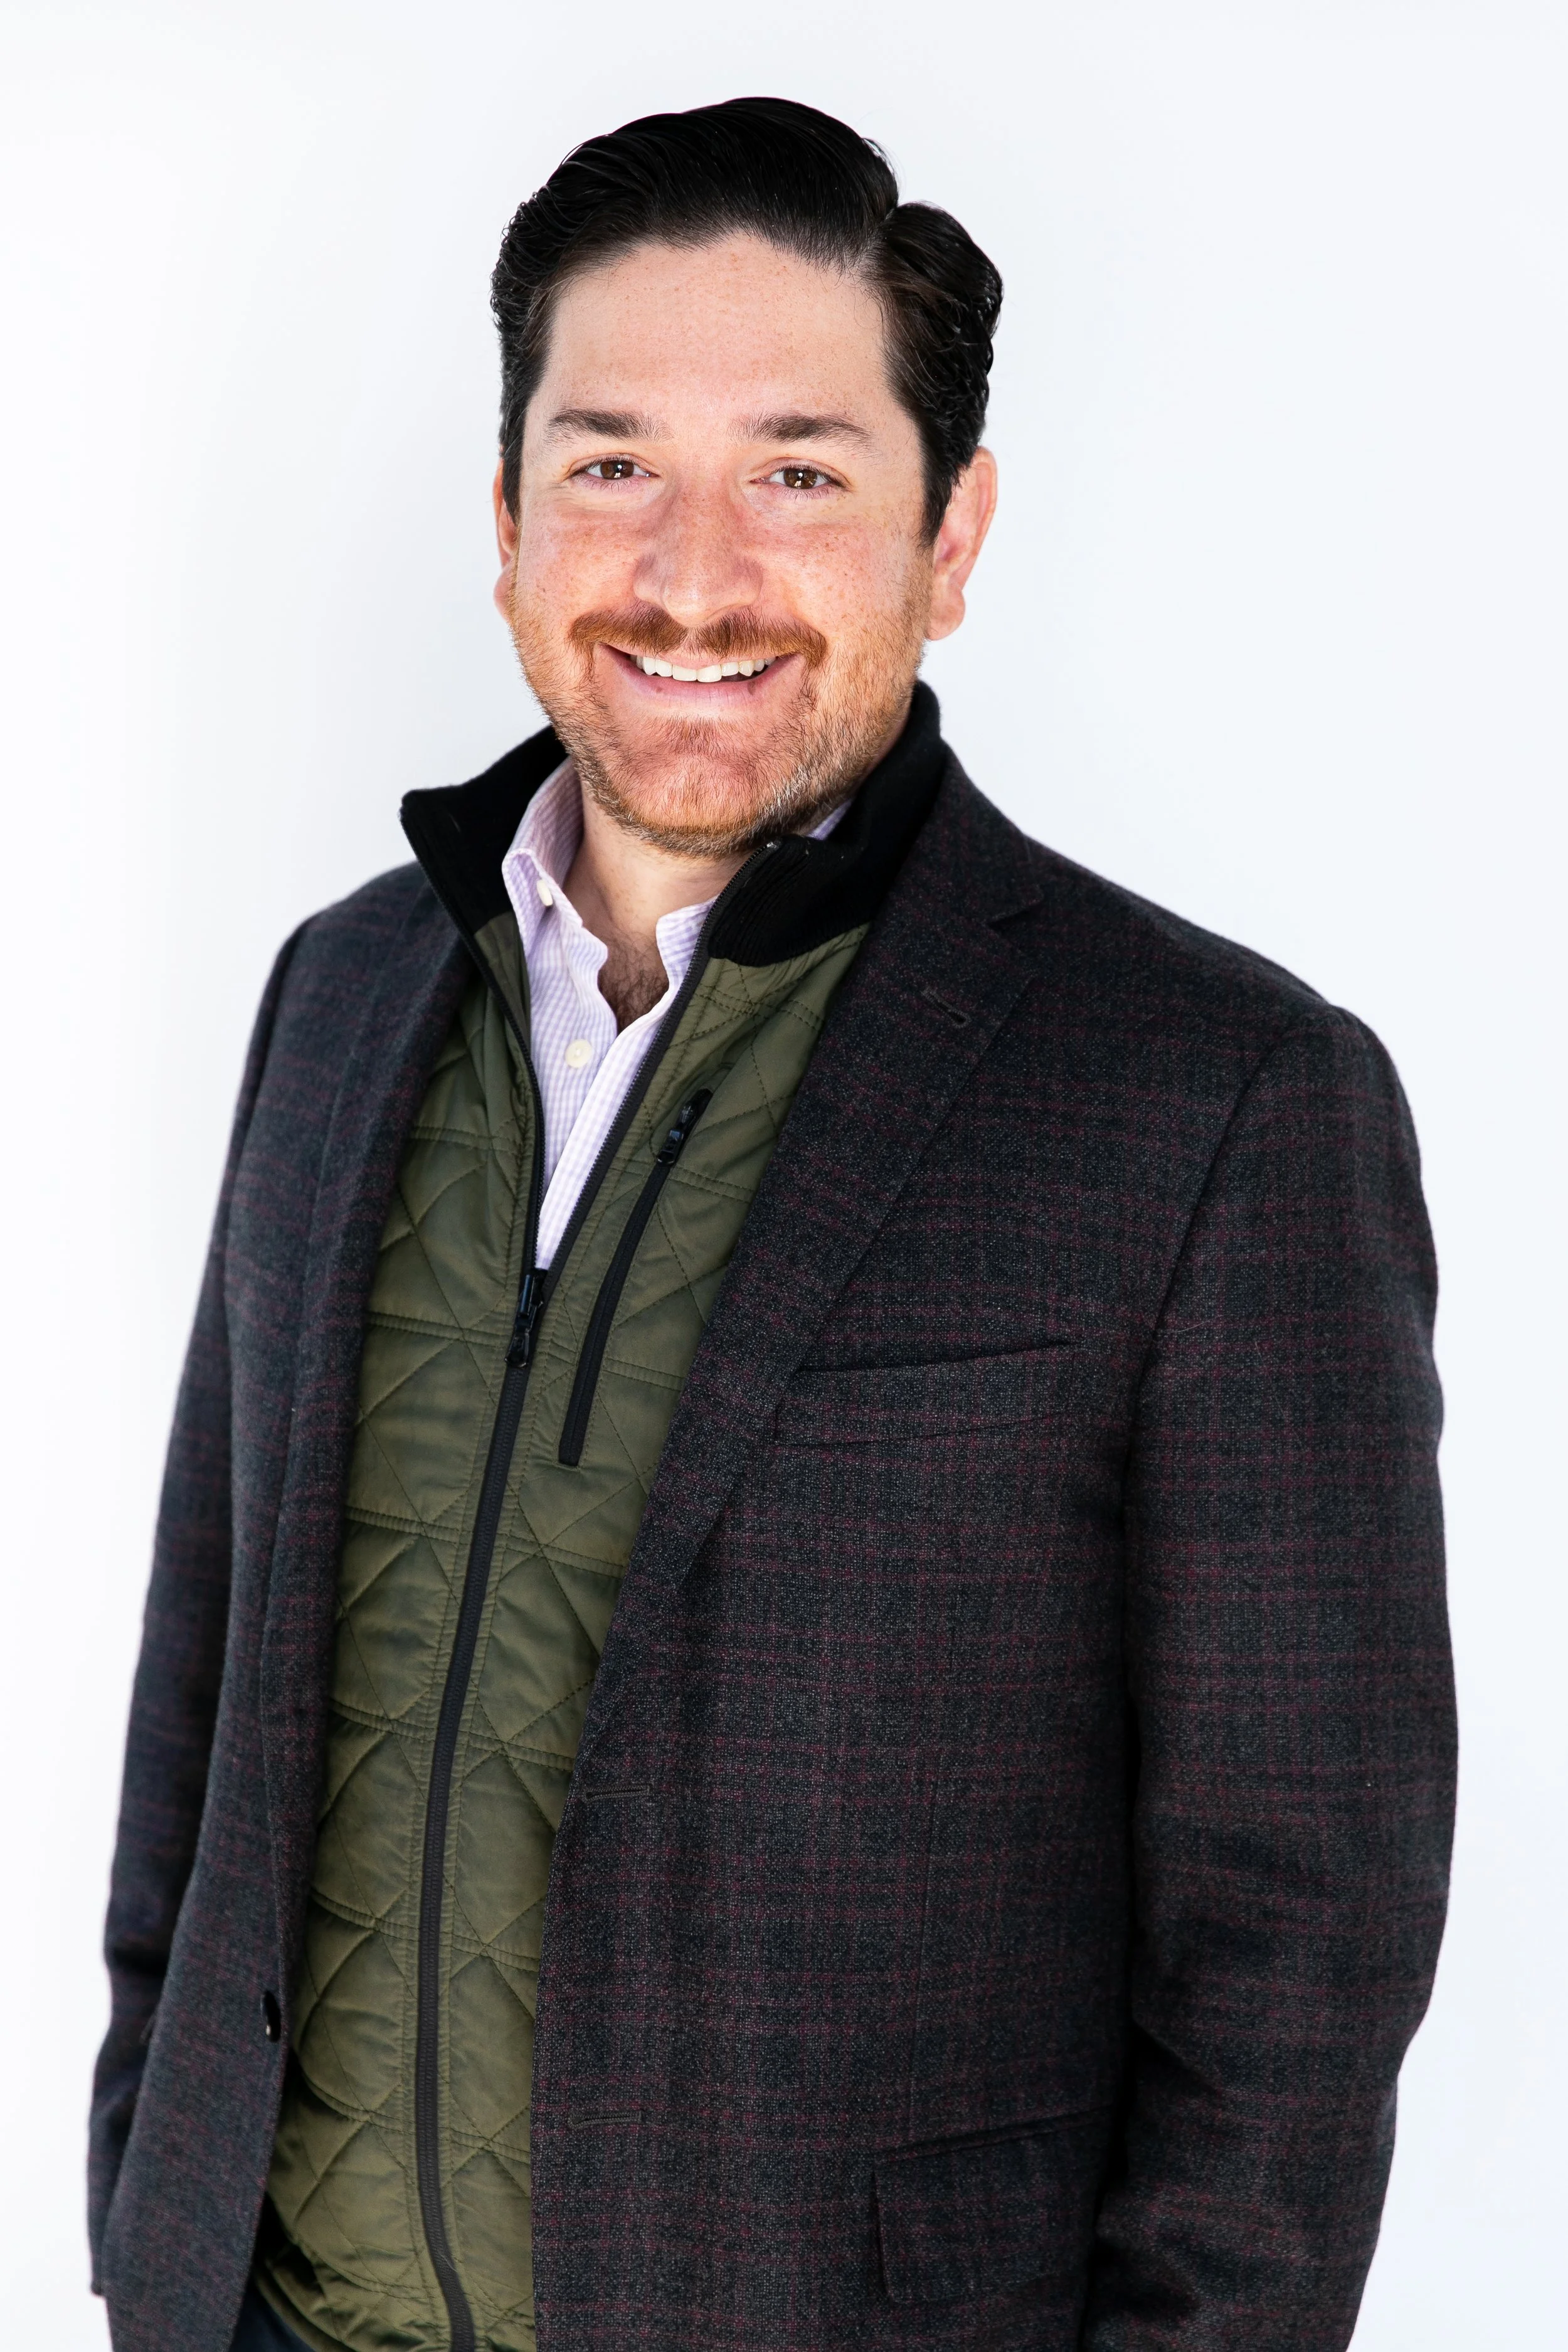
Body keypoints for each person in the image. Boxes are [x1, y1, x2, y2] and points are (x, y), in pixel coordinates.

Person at [89, 96, 1454, 2352]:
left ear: (953, 532)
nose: (692, 572)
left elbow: (1291, 1959)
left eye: (801, 471)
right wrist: (155, 2192)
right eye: (610, 459)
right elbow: (204, 1695)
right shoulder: (339, 996)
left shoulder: (1212, 1099)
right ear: (510, 519)